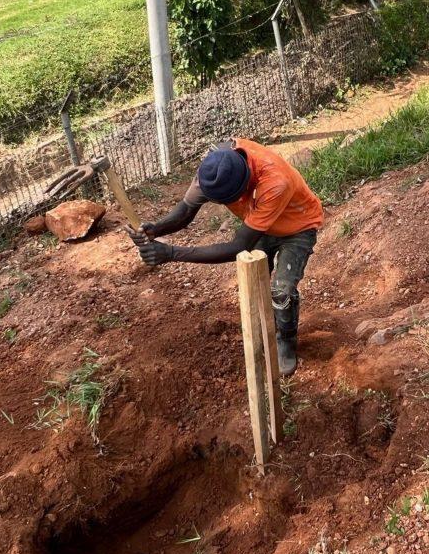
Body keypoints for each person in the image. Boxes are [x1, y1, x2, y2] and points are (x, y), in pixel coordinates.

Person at [129, 138, 323, 376]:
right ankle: (267, 327)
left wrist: (170, 253)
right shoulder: (213, 167)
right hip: (260, 225)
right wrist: (156, 229)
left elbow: (238, 247)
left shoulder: (274, 182)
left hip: (297, 226)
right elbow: (187, 210)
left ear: (244, 186)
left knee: (281, 290)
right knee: (256, 281)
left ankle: (286, 340)